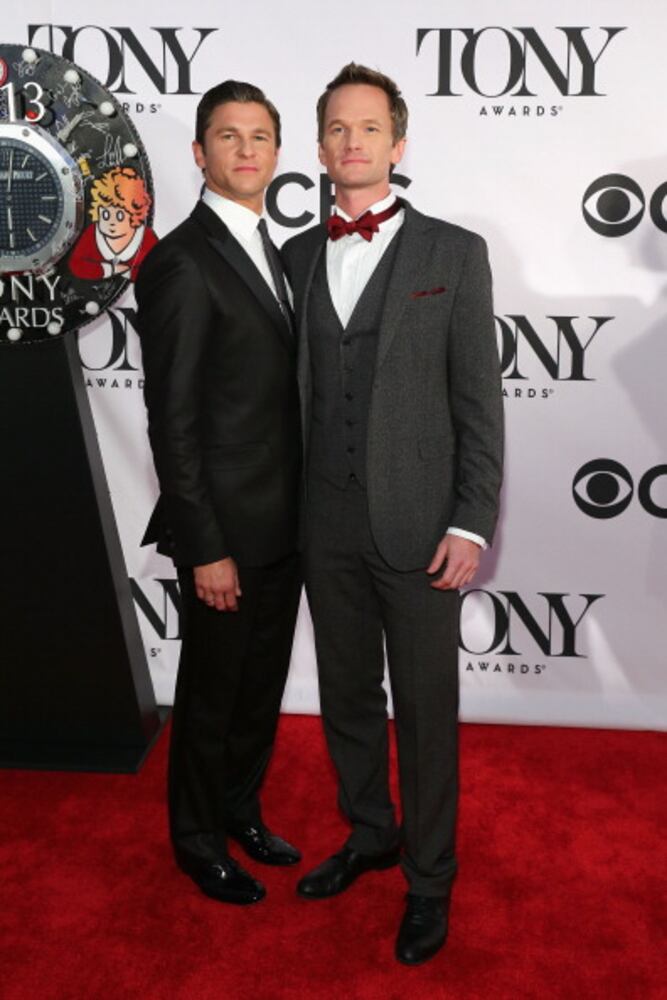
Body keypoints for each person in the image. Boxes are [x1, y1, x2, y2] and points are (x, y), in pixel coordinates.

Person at [282, 63, 503, 963]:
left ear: (397, 144)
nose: (352, 141)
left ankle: (430, 878)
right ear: (320, 146)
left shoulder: (454, 253)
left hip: (420, 526)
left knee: (424, 709)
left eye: (369, 127)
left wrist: (471, 519)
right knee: (346, 697)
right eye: (337, 127)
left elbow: (477, 400)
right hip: (322, 522)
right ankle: (370, 832)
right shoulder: (294, 258)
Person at [135, 80, 302, 905]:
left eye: (259, 136)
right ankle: (197, 841)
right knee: (209, 698)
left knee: (258, 690)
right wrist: (205, 546)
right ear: (199, 153)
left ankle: (240, 810)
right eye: (228, 136)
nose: (245, 149)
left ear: (277, 153)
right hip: (224, 536)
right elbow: (172, 422)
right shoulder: (181, 261)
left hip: (284, 526)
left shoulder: (280, 253)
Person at [69, 165, 157, 281]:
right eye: (106, 214)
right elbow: (76, 264)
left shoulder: (146, 238)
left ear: (134, 214)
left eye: (120, 216)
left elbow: (155, 270)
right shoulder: (92, 233)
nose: (112, 222)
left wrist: (127, 273)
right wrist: (111, 270)